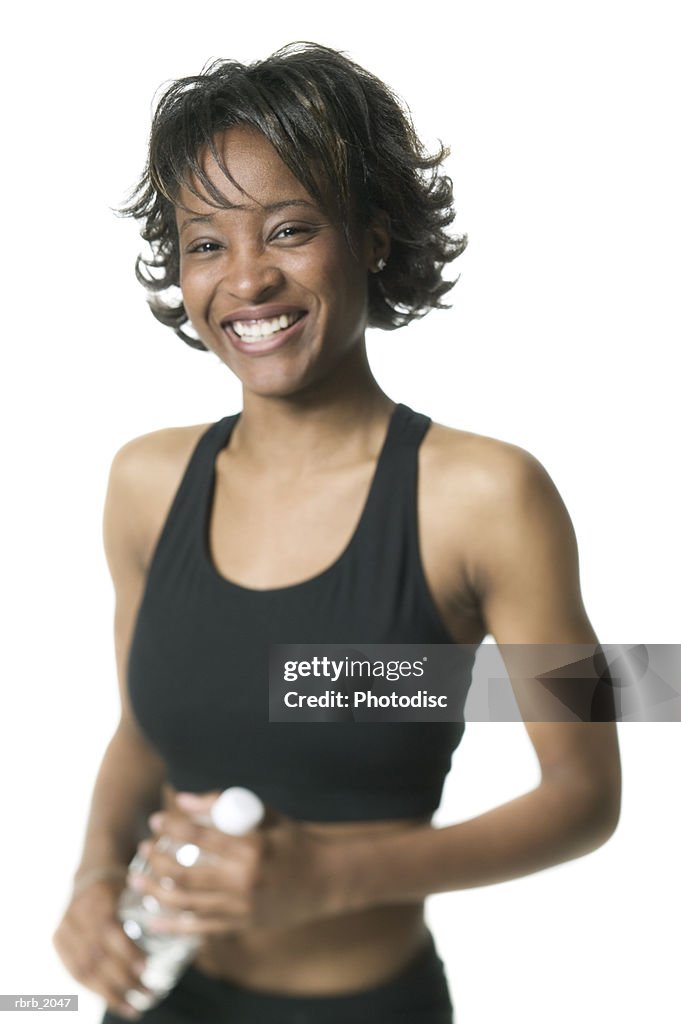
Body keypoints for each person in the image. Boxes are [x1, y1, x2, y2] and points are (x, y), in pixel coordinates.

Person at [52, 42, 622, 1023]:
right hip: (157, 999)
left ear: (372, 236)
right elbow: (146, 730)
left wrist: (336, 875)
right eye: (205, 243)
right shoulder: (146, 483)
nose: (247, 279)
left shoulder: (489, 496)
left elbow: (582, 791)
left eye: (289, 229)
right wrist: (94, 875)